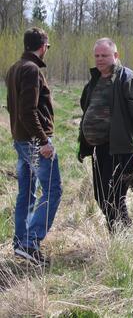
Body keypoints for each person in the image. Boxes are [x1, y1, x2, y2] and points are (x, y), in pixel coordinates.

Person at [78, 38, 133, 233]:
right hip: (99, 148)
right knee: (100, 195)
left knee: (113, 196)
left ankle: (121, 234)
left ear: (116, 56)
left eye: (104, 55)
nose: (100, 59)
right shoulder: (95, 80)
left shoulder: (127, 79)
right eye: (97, 56)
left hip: (120, 148)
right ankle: (122, 231)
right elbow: (86, 108)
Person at [5, 27, 62, 264]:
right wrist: (43, 141)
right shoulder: (31, 70)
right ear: (42, 47)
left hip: (21, 140)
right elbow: (28, 112)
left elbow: (15, 108)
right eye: (47, 47)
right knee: (53, 189)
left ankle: (21, 243)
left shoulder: (14, 68)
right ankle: (30, 242)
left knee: (26, 193)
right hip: (33, 142)